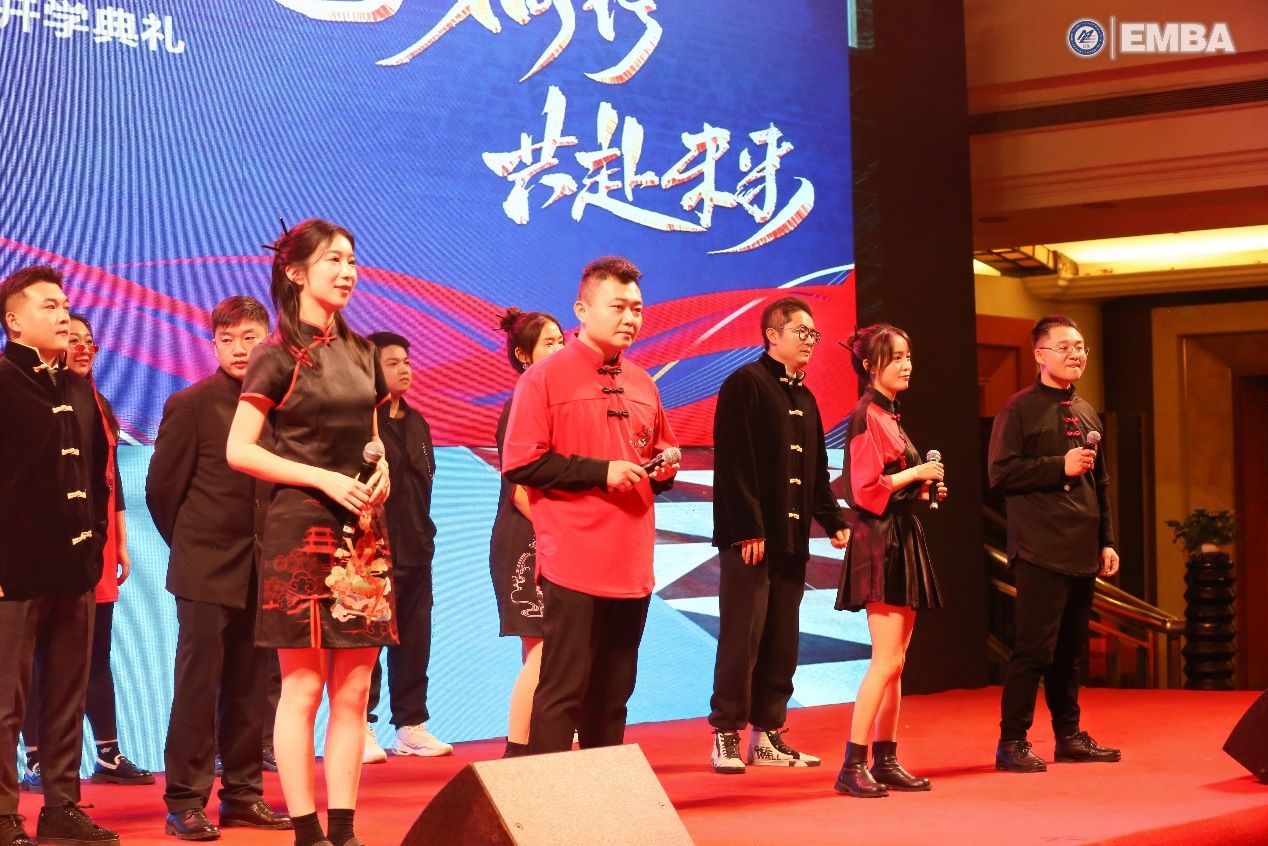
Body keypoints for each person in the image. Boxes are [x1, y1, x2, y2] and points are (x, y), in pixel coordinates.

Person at [227, 219, 394, 846]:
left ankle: (343, 831)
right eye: (334, 261)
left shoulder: (364, 353)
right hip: (302, 532)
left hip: (364, 535)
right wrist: (322, 478)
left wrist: (383, 469)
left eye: (352, 260)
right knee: (303, 686)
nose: (348, 272)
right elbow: (241, 449)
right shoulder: (274, 355)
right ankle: (306, 831)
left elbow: (371, 440)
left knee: (355, 688)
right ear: (296, 272)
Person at [502, 256, 678, 755]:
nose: (630, 318)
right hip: (574, 560)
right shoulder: (543, 379)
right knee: (562, 693)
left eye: (637, 309)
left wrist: (663, 469)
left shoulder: (643, 382)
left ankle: (604, 800)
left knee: (613, 698)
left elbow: (657, 454)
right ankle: (547, 801)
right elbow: (521, 463)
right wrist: (601, 471)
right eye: (618, 307)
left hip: (632, 563)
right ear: (582, 310)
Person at [148, 296, 291, 840]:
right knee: (198, 686)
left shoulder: (282, 406)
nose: (238, 349)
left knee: (251, 688)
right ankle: (185, 800)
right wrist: (193, 547)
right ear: (213, 345)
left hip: (266, 567)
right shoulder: (191, 404)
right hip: (205, 569)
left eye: (250, 338)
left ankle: (243, 795)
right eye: (227, 340)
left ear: (268, 341)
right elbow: (162, 491)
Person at [0, 265, 118, 846]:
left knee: (67, 697)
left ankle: (61, 810)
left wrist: (94, 548)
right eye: (48, 306)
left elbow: (95, 479)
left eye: (66, 306)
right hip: (13, 572)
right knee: (7, 702)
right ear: (14, 322)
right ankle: (3, 815)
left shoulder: (77, 387)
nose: (64, 315)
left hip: (75, 570)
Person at [708, 297, 850, 774]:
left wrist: (834, 520)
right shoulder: (745, 383)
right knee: (742, 638)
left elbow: (815, 473)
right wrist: (747, 527)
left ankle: (766, 734)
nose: (810, 341)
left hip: (791, 540)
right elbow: (734, 463)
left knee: (782, 640)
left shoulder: (806, 398)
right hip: (750, 540)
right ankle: (725, 734)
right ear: (772, 335)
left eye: (813, 334)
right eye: (801, 332)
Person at [21, 314, 152, 793]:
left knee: (97, 653)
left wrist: (122, 542)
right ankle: (36, 759)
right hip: (51, 547)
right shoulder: (40, 398)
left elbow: (109, 482)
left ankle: (108, 753)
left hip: (100, 544)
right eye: (71, 339)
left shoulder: (99, 403)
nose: (81, 348)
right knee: (40, 655)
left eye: (88, 342)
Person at [989, 314, 1120, 774]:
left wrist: (1106, 540)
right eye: (1065, 347)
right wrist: (1057, 466)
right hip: (1040, 548)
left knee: (1069, 651)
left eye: (1080, 347)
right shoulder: (1017, 409)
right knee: (1034, 650)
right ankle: (1012, 741)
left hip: (1082, 548)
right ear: (1040, 354)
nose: (1076, 354)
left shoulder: (1085, 410)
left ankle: (1069, 736)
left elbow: (1100, 483)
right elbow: (1000, 473)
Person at [833, 323, 945, 798]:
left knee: (897, 662)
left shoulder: (889, 414)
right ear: (869, 365)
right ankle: (852, 765)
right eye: (896, 357)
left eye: (908, 356)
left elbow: (888, 482)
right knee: (885, 660)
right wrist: (916, 473)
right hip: (880, 540)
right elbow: (863, 489)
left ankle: (887, 759)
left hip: (899, 534)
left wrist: (918, 486)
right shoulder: (866, 415)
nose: (906, 364)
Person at [360, 331, 451, 762]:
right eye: (392, 363)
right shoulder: (362, 423)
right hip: (371, 552)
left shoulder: (417, 423)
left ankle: (410, 726)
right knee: (367, 643)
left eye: (406, 362)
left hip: (417, 549)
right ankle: (359, 724)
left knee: (415, 640)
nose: (404, 369)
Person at [488, 308, 565, 758]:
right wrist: (564, 532)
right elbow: (519, 490)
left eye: (561, 341)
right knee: (543, 646)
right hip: (529, 538)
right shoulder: (522, 403)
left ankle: (540, 739)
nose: (560, 349)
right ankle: (518, 750)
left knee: (549, 647)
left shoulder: (556, 401)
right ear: (523, 355)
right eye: (548, 343)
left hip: (554, 536)